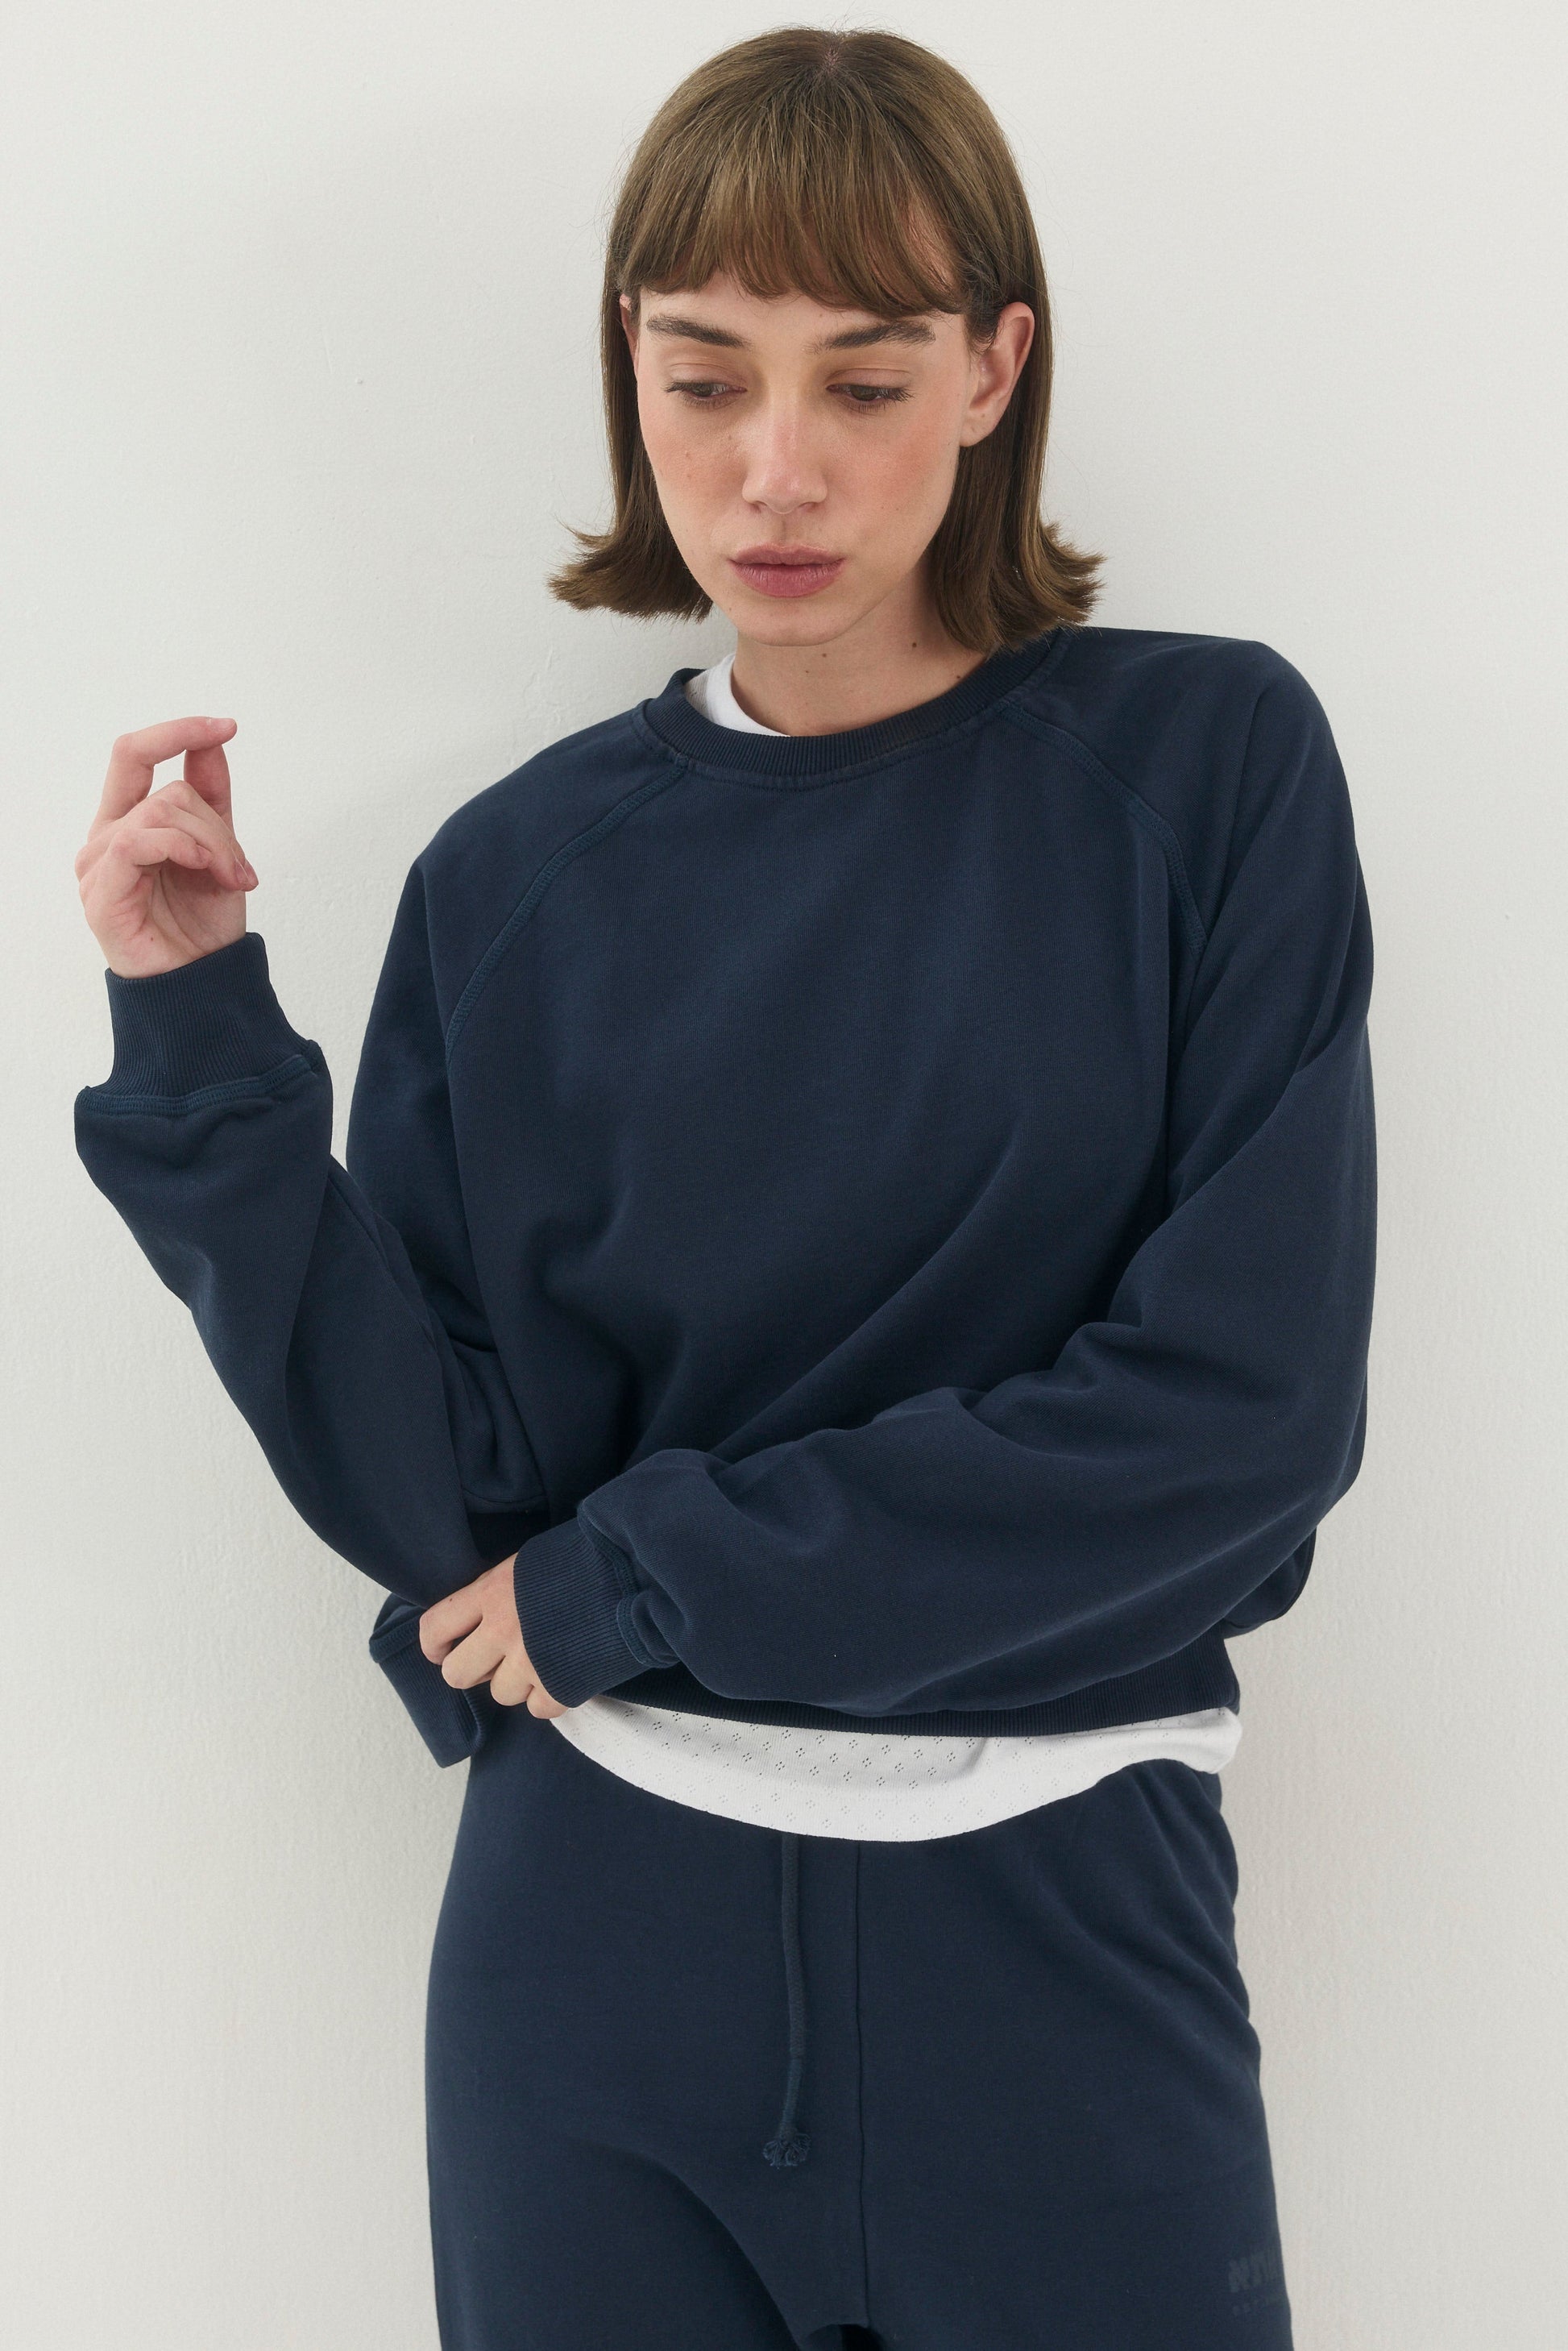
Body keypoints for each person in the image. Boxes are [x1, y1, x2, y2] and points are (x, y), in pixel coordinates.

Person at [72, 27, 1375, 2351]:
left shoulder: (1203, 769)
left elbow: (1241, 1429)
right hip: (591, 1954)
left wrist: (646, 1571)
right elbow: (445, 1502)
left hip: (1063, 1928)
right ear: (630, 373)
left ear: (994, 371)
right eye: (702, 379)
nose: (775, 470)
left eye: (862, 381)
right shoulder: (514, 879)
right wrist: (200, 1051)